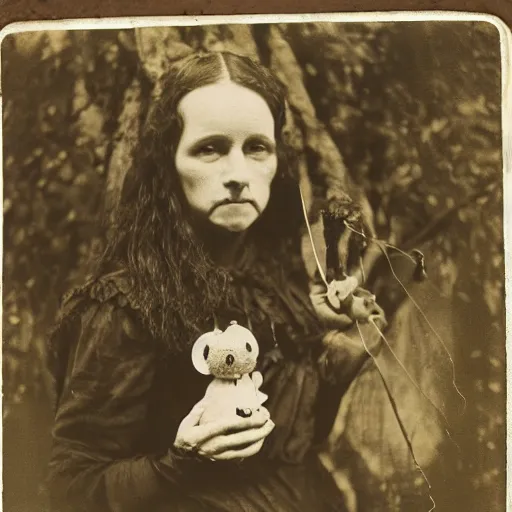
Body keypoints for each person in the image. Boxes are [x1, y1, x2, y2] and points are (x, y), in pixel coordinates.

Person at [47, 50, 385, 512]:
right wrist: (179, 460)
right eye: (209, 148)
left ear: (276, 161)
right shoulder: (125, 307)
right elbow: (70, 489)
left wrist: (336, 346)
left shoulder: (275, 283)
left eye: (256, 148)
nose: (238, 176)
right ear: (169, 161)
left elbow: (295, 447)